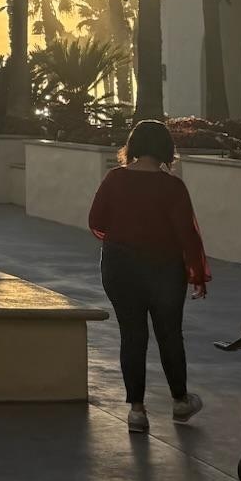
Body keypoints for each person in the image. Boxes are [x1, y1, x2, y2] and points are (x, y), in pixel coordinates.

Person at [87, 119, 210, 433]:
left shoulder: (115, 179)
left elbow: (96, 220)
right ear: (166, 149)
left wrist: (123, 236)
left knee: (132, 334)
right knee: (170, 333)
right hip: (165, 267)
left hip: (120, 266)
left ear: (134, 146)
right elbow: (187, 234)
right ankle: (180, 402)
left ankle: (137, 411)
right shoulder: (172, 187)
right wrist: (196, 272)